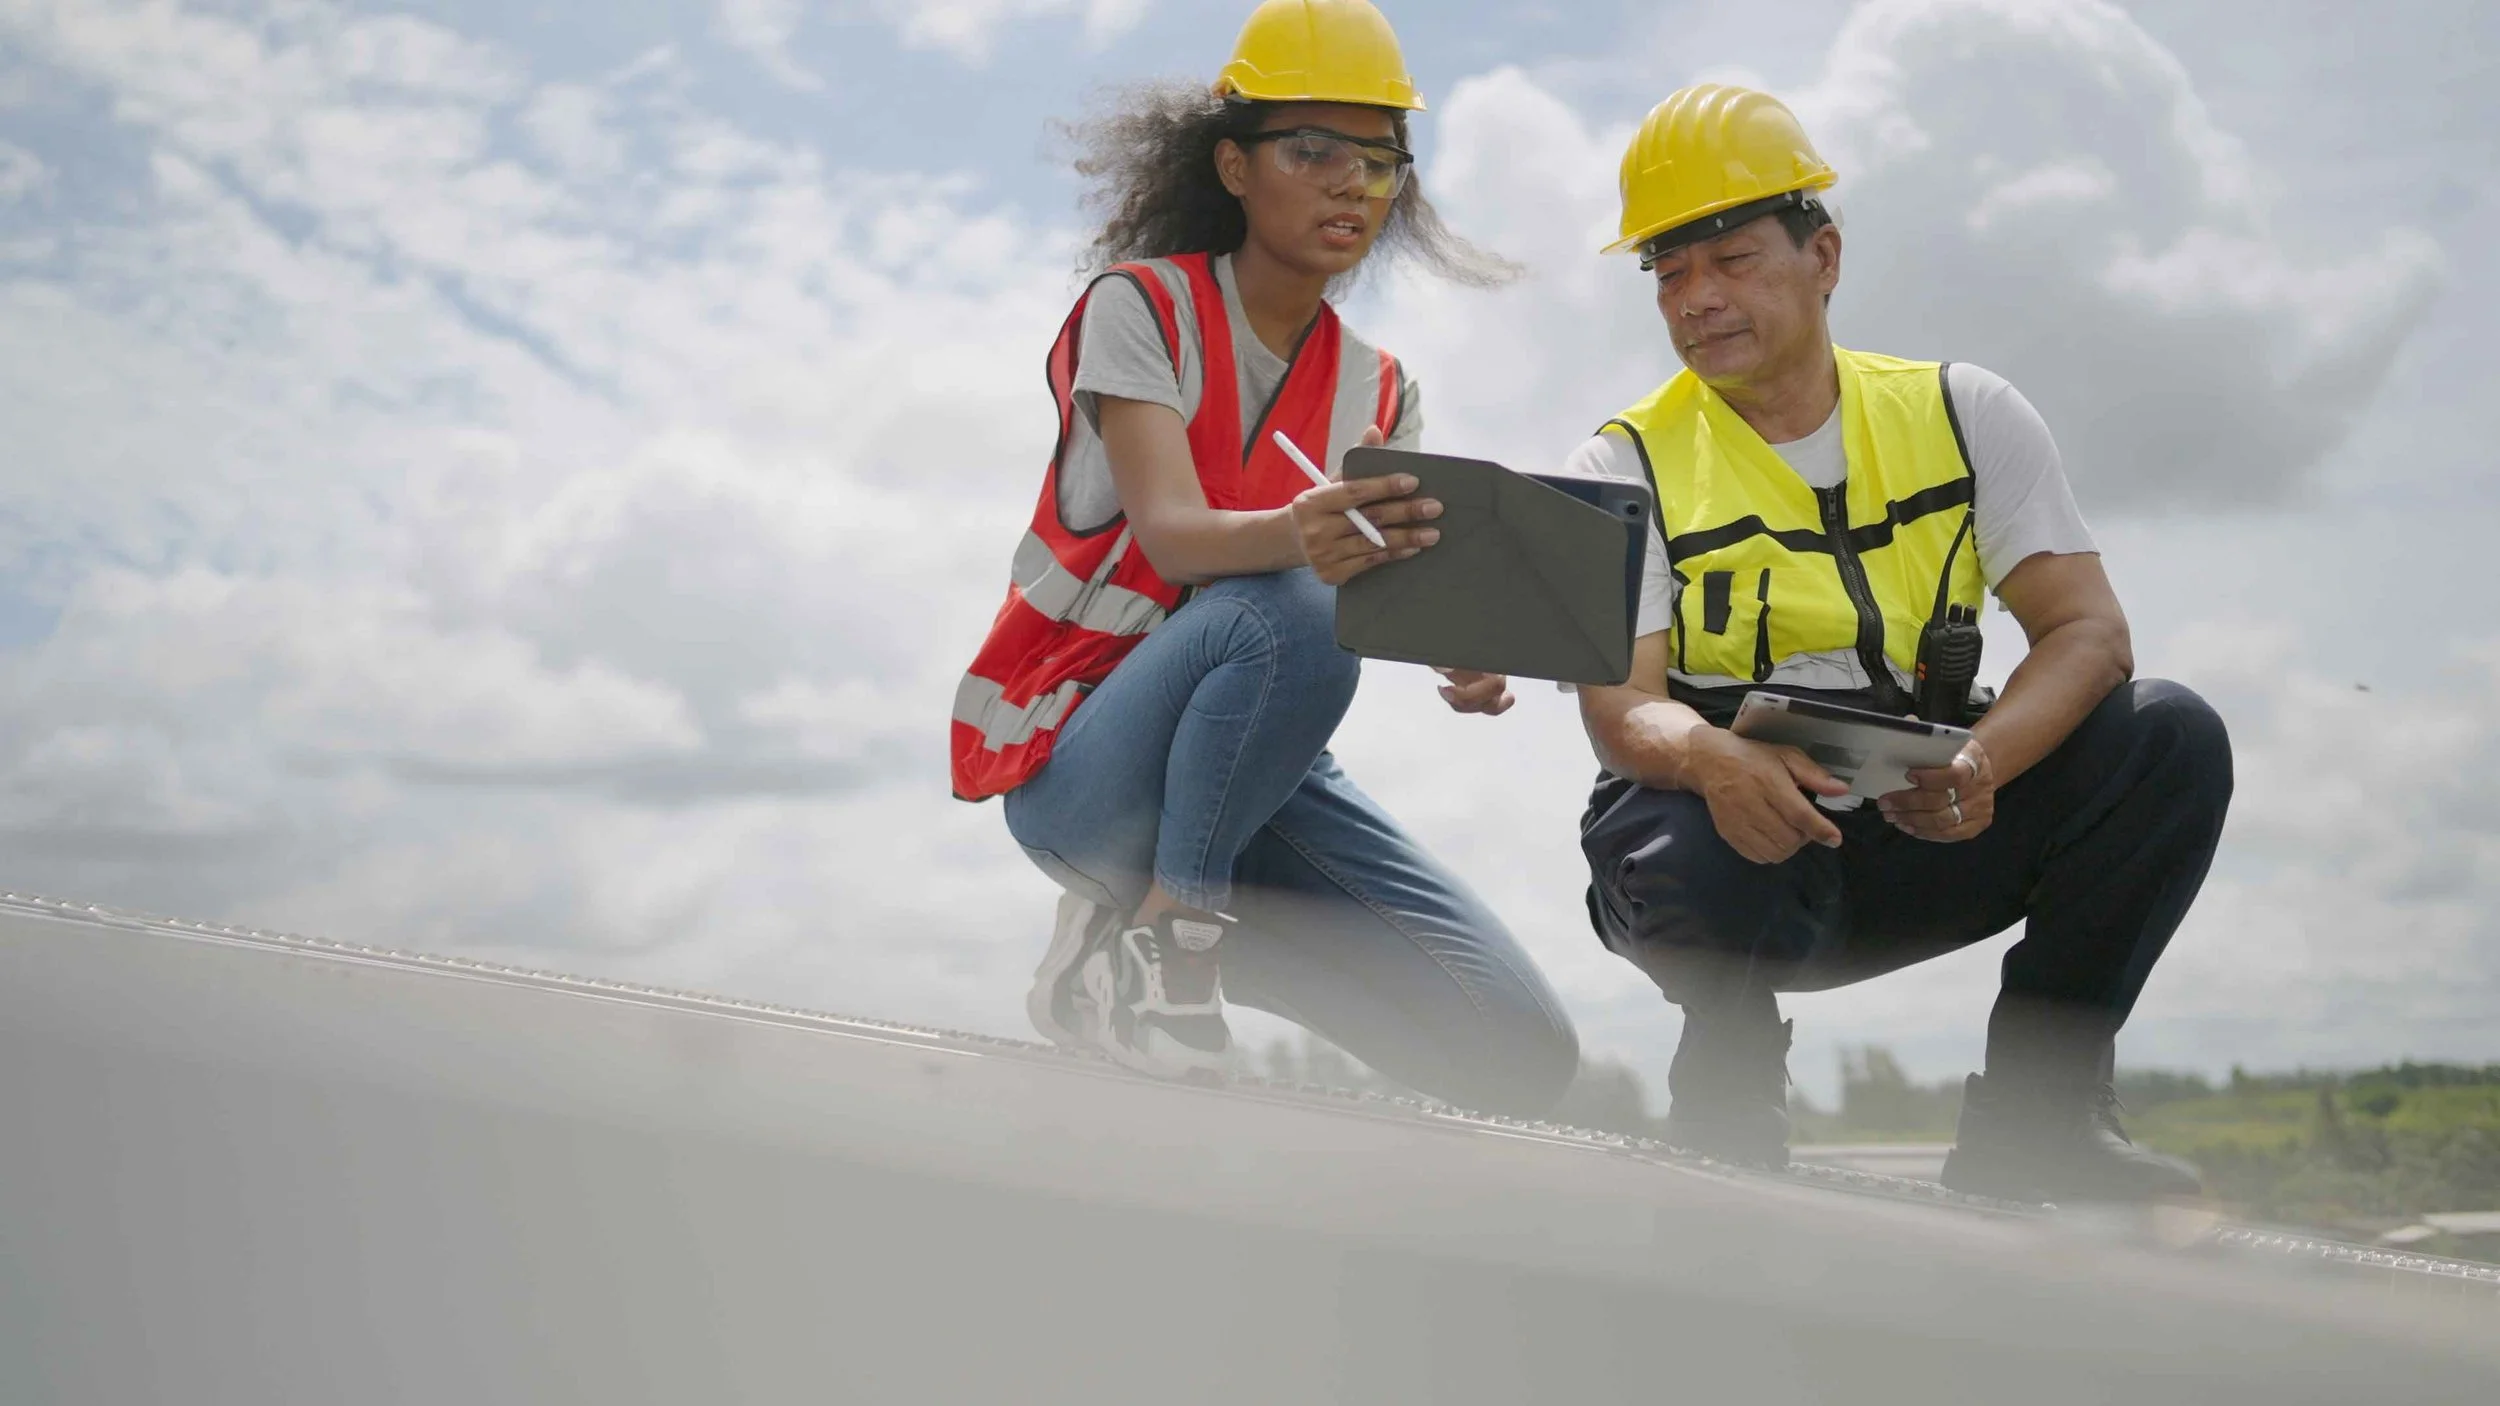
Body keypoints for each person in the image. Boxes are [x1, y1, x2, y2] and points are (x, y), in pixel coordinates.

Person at [1567, 85, 2234, 1201]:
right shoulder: (1621, 462)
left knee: (2169, 733)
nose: (1697, 300)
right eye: (1669, 275)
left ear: (1822, 254)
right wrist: (1710, 758)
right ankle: (1727, 1088)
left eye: (1729, 259)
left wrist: (1984, 761)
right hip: (1731, 852)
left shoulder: (1965, 411)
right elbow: (1618, 704)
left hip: (1924, 821)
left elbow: (2087, 633)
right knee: (1680, 829)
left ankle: (2039, 1119)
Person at [950, 0, 1578, 1115]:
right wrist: (1306, 535)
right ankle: (1167, 951)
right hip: (1083, 749)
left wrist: (1459, 649)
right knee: (1286, 598)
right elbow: (1173, 534)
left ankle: (1137, 947)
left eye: (1380, 163)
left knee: (1517, 1047)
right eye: (1312, 150)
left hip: (1251, 763)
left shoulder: (1382, 390)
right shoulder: (1139, 308)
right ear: (1234, 165)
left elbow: (1373, 596)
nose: (1352, 184)